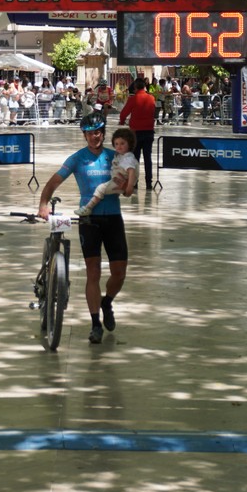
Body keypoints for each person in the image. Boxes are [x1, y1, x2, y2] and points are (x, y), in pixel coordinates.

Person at [37, 111, 131, 344]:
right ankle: (95, 323)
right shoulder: (77, 158)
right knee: (93, 272)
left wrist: (128, 186)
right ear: (84, 135)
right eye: (89, 133)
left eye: (98, 132)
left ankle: (107, 302)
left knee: (119, 273)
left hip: (113, 218)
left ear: (103, 133)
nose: (94, 136)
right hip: (89, 221)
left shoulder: (115, 156)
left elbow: (129, 181)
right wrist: (43, 204)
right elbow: (53, 182)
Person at [78, 127, 138, 218]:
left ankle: (88, 207)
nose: (119, 146)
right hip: (119, 183)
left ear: (129, 144)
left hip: (118, 182)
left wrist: (129, 187)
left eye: (122, 143)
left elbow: (131, 171)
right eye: (116, 144)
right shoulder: (120, 155)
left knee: (100, 189)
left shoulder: (128, 158)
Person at [119, 76, 157, 190]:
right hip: (149, 131)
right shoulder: (151, 98)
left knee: (135, 158)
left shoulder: (133, 99)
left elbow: (123, 113)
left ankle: (134, 182)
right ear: (144, 87)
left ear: (135, 87)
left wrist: (122, 121)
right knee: (148, 158)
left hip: (135, 133)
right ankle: (149, 183)